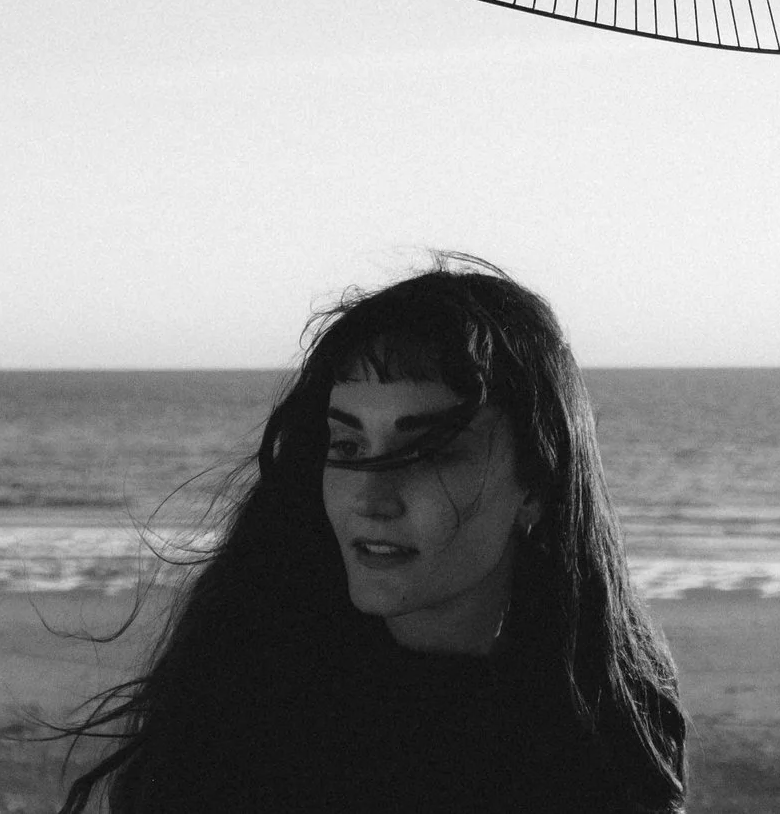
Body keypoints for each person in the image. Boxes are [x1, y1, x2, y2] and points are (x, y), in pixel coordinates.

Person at [57, 257, 685, 813]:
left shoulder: (612, 712)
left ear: (539, 485)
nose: (371, 497)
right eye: (349, 444)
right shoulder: (250, 702)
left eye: (429, 451)